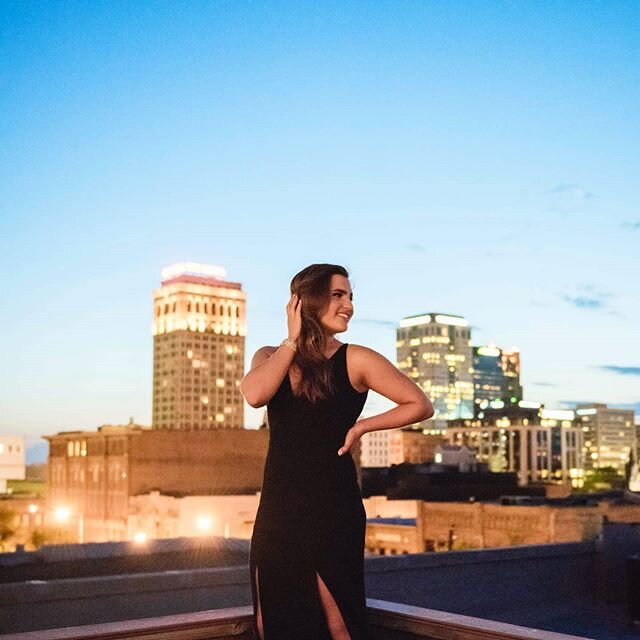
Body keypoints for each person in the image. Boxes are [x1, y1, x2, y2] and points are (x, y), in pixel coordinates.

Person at [241, 263, 434, 640]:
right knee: (270, 622)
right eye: (338, 295)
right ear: (306, 303)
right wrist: (292, 340)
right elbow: (255, 394)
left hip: (334, 507)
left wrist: (362, 426)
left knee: (338, 620)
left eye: (350, 297)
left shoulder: (357, 359)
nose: (348, 305)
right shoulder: (270, 355)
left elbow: (419, 404)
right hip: (278, 511)